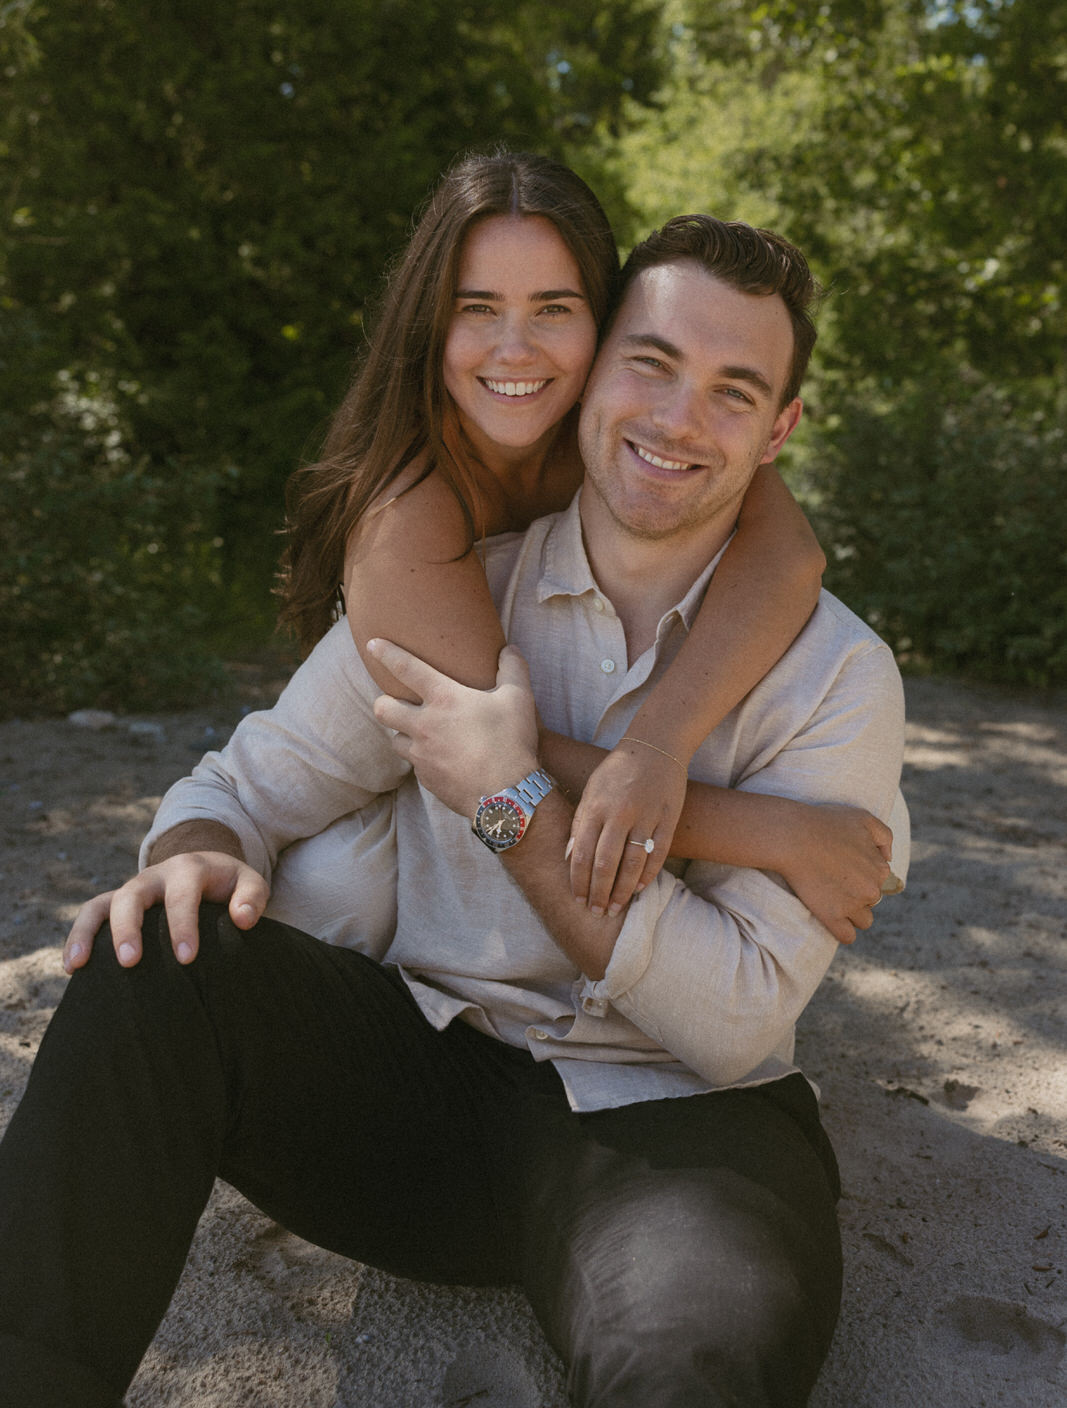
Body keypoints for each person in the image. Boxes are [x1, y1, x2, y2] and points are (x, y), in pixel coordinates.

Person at [0, 209, 907, 1407]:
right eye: (651, 362)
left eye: (733, 390)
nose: (677, 418)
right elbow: (239, 785)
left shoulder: (838, 675)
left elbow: (731, 1017)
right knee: (151, 958)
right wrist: (194, 851)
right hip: (421, 1085)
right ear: (590, 379)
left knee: (703, 1365)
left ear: (780, 428)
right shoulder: (451, 591)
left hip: (682, 1130)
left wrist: (504, 798)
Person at [276, 149, 885, 934]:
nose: (516, 349)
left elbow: (789, 558)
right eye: (477, 307)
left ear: (606, 325)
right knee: (337, 884)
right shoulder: (409, 513)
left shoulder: (627, 433)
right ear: (430, 320)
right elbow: (492, 757)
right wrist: (775, 832)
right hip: (410, 778)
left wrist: (658, 746)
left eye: (554, 309)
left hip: (534, 803)